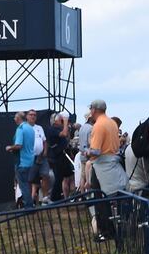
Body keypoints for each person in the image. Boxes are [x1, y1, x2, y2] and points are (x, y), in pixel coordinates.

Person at [81, 100, 128, 241]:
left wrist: (86, 152)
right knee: (114, 198)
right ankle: (119, 227)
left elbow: (95, 151)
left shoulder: (98, 126)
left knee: (100, 199)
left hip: (101, 165)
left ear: (94, 110)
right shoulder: (112, 123)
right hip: (113, 162)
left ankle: (107, 231)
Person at [5, 111, 36, 209]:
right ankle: (30, 203)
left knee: (23, 185)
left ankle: (28, 206)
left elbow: (19, 145)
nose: (14, 119)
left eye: (15, 117)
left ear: (19, 118)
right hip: (30, 160)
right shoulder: (31, 128)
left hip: (21, 161)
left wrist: (10, 147)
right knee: (27, 183)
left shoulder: (20, 129)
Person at [47, 112, 75, 200]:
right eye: (61, 120)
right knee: (59, 179)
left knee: (70, 176)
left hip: (65, 155)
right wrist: (66, 120)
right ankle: (54, 198)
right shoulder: (52, 129)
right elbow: (64, 134)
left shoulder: (60, 128)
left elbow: (66, 139)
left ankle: (71, 197)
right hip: (57, 157)